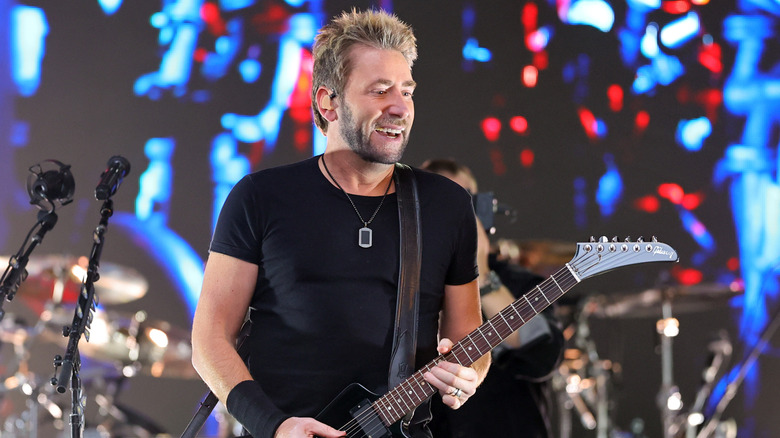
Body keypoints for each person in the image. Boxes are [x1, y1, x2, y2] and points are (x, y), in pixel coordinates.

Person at [190, 9, 491, 438]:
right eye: (380, 90)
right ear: (327, 102)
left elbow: (469, 339)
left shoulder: (445, 203)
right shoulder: (260, 196)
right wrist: (273, 427)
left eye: (407, 91)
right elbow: (210, 339)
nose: (399, 107)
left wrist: (471, 374)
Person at [421, 159, 565, 438]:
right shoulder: (403, 286)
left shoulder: (520, 282)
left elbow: (542, 356)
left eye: (463, 204)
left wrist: (480, 274)